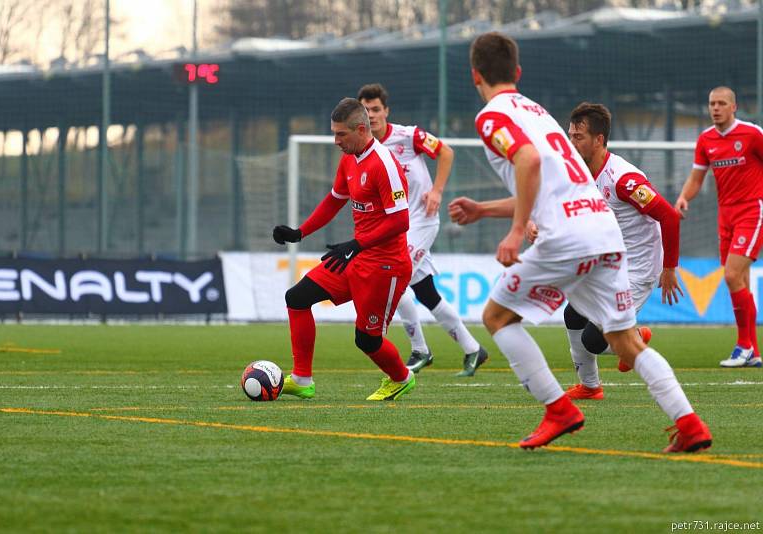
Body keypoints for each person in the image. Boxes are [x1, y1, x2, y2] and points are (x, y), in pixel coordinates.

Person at [447, 31, 711, 452]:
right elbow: (549, 183)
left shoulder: (493, 116)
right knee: (626, 341)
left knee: (497, 317)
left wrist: (516, 231)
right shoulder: (538, 112)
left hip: (568, 236)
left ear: (474, 75)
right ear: (517, 72)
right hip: (603, 231)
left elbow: (529, 162)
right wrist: (484, 209)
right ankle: (691, 425)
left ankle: (559, 410)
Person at [272, 97, 416, 401]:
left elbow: (401, 220)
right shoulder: (349, 158)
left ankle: (402, 377)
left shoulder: (384, 164)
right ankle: (301, 379)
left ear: (361, 129)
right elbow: (335, 200)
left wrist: (357, 244)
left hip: (385, 265)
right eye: (334, 133)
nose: (336, 141)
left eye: (341, 134)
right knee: (297, 298)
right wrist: (300, 232)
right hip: (356, 256)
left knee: (367, 340)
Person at [357, 83, 488, 376]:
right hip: (397, 229)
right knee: (426, 293)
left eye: (376, 109)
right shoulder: (365, 151)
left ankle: (420, 350)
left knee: (394, 278)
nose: (372, 115)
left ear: (386, 111)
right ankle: (473, 349)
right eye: (365, 110)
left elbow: (446, 152)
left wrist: (437, 191)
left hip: (423, 220)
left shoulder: (409, 135)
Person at [561, 102, 684, 400]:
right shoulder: (578, 172)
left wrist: (669, 268)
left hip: (638, 270)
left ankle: (635, 337)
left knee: (593, 339)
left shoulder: (624, 181)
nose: (571, 142)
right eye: (570, 135)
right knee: (572, 315)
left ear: (599, 140)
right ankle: (590, 387)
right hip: (608, 263)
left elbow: (668, 216)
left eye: (578, 136)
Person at [676, 86, 763, 368]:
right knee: (740, 281)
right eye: (712, 103)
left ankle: (744, 346)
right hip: (724, 215)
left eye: (721, 103)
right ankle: (754, 352)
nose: (715, 108)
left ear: (734, 107)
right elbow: (696, 178)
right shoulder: (706, 140)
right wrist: (682, 197)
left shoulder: (751, 134)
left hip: (752, 210)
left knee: (731, 274)